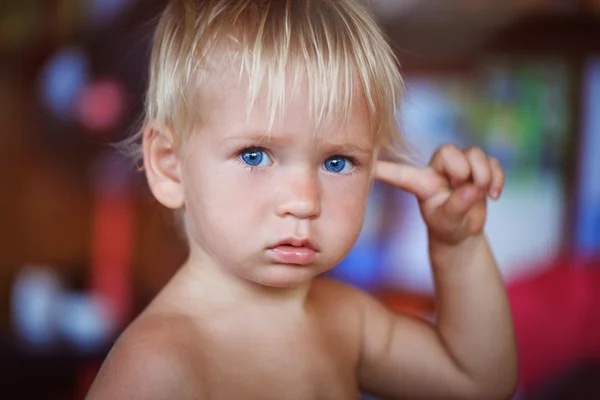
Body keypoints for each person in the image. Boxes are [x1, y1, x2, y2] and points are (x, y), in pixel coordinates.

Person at [86, 0, 518, 398]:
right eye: (254, 155)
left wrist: (458, 244)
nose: (304, 201)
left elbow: (477, 381)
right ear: (170, 166)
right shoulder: (155, 368)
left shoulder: (346, 319)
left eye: (336, 162)